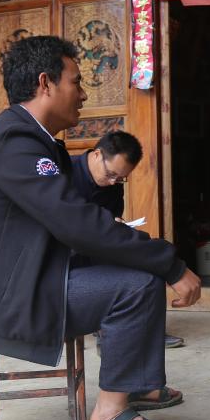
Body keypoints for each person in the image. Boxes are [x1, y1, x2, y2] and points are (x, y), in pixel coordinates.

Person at [0, 35, 201, 420]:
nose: (83, 94)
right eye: (76, 82)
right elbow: (78, 225)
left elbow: (77, 223)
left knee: (136, 271)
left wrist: (150, 255)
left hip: (25, 278)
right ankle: (109, 418)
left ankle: (133, 384)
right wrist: (169, 262)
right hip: (1, 297)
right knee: (137, 285)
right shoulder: (15, 144)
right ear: (46, 83)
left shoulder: (32, 140)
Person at [70, 130, 186, 349]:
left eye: (120, 178)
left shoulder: (114, 185)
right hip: (66, 256)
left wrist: (117, 223)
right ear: (97, 154)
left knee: (145, 265)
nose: (113, 182)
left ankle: (150, 333)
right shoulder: (64, 172)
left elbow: (112, 222)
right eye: (111, 174)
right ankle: (107, 333)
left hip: (100, 246)